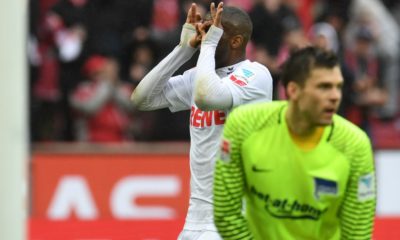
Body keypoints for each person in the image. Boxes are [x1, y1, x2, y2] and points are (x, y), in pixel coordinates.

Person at [131, 2, 273, 239]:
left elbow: (208, 97)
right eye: (206, 27)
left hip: (233, 219)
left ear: (236, 41)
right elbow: (142, 99)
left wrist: (207, 46)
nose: (206, 34)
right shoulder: (200, 77)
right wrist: (183, 49)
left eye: (215, 30)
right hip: (195, 219)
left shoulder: (256, 74)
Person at [213, 46, 376, 239]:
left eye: (338, 87)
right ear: (293, 90)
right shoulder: (244, 125)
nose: (335, 96)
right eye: (324, 87)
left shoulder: (355, 144)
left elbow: (358, 233)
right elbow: (226, 213)